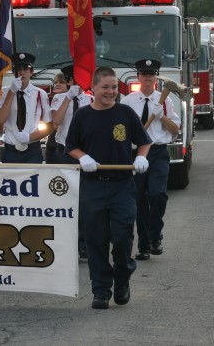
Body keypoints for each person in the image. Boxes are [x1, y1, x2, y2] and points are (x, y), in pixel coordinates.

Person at [65, 66, 151, 309]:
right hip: (93, 186)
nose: (111, 92)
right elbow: (71, 145)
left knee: (123, 236)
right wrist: (82, 157)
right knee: (96, 240)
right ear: (93, 88)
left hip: (122, 186)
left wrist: (141, 157)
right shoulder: (82, 116)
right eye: (105, 87)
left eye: (114, 87)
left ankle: (122, 280)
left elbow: (143, 142)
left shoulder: (126, 113)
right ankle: (101, 290)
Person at [121, 59, 180, 260]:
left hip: (157, 152)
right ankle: (145, 245)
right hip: (136, 153)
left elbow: (175, 130)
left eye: (151, 74)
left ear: (156, 78)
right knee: (138, 200)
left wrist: (161, 116)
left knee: (157, 194)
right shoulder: (128, 101)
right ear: (138, 77)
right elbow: (120, 130)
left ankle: (156, 235)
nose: (147, 77)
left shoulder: (166, 100)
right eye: (144, 73)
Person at [50, 65, 94, 259]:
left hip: (86, 154)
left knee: (85, 201)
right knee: (66, 199)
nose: (76, 84)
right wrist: (69, 97)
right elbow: (56, 121)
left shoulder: (91, 100)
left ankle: (83, 244)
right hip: (64, 153)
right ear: (68, 82)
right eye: (73, 81)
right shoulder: (59, 98)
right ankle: (65, 244)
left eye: (80, 81)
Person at [0, 53, 52, 163]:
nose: (22, 72)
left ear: (31, 72)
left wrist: (30, 137)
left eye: (26, 69)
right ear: (13, 72)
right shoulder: (4, 92)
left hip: (32, 150)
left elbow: (49, 126)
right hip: (11, 150)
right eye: (18, 69)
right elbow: (1, 119)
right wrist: (12, 91)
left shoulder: (41, 94)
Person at [44, 73, 68, 164]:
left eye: (62, 82)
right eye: (55, 82)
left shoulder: (76, 101)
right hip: (52, 141)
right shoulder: (49, 99)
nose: (57, 84)